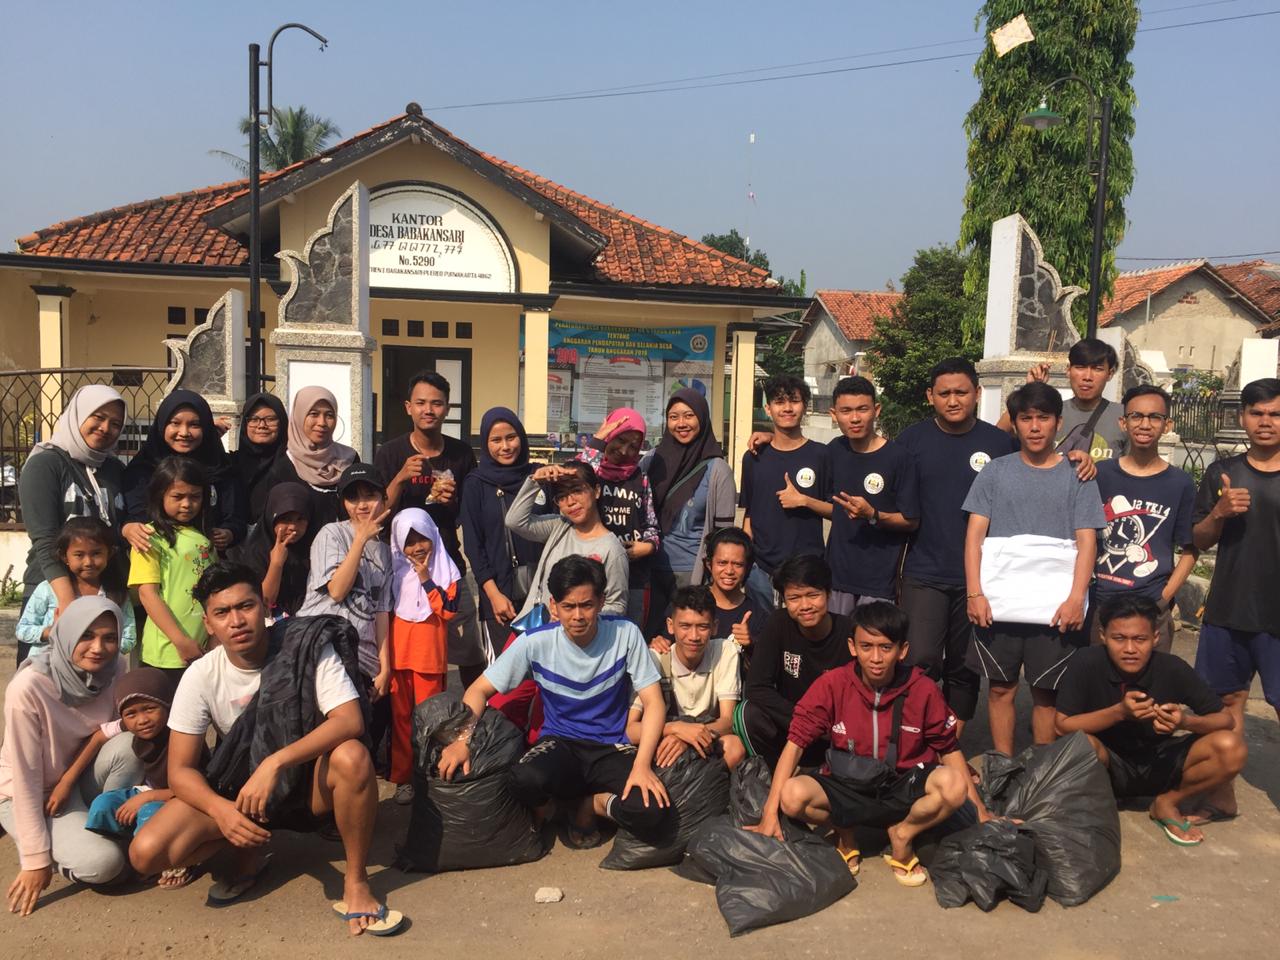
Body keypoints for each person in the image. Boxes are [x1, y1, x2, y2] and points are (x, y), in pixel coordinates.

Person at [128, 564, 403, 936]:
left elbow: (350, 720)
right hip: (244, 796)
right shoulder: (201, 675)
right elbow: (180, 771)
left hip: (308, 786)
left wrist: (276, 762)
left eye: (246, 606)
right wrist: (222, 813)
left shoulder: (304, 647)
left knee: (352, 755)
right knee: (146, 852)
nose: (236, 620)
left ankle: (356, 880)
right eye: (222, 613)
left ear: (265, 607)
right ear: (208, 623)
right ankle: (247, 847)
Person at [748, 601, 987, 887]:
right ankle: (845, 832)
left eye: (885, 648)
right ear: (852, 647)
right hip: (849, 784)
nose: (875, 657)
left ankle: (903, 834)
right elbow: (795, 743)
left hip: (902, 787)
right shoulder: (833, 684)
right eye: (866, 646)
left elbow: (949, 748)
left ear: (903, 651)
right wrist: (769, 812)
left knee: (954, 785)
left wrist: (981, 812)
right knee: (792, 795)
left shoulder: (923, 689)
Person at [439, 556, 671, 848]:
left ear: (601, 602)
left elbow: (654, 702)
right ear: (553, 606)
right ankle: (562, 803)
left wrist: (642, 765)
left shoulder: (625, 634)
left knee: (653, 809)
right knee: (522, 779)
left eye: (586, 605)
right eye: (568, 606)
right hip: (560, 743)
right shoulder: (535, 642)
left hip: (611, 745)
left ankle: (590, 806)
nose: (578, 616)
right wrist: (463, 740)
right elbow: (477, 690)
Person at [964, 382, 1105, 755]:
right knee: (1000, 688)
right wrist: (974, 593)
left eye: (1043, 418)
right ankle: (1003, 766)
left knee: (1046, 693)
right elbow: (974, 537)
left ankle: (1042, 769)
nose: (1035, 427)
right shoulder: (994, 472)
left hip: (1056, 607)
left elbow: (1087, 541)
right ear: (1016, 423)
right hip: (999, 603)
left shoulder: (1079, 475)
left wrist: (1077, 597)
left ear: (1058, 422)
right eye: (1025, 418)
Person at [1055, 595, 1246, 847]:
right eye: (1119, 639)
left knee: (1231, 746)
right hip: (1107, 766)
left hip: (1161, 762)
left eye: (1140, 639)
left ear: (1155, 637)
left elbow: (1225, 718)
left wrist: (1185, 722)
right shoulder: (1085, 662)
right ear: (1103, 635)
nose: (1130, 649)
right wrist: (1119, 712)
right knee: (1080, 745)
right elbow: (1061, 725)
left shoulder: (1172, 667)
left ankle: (1167, 802)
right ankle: (1098, 804)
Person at [896, 358, 1018, 734]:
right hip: (924, 572)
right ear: (930, 396)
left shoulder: (1000, 444)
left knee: (966, 666)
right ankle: (915, 739)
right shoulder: (911, 441)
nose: (953, 400)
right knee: (920, 658)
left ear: (977, 394)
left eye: (961, 392)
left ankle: (951, 746)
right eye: (944, 393)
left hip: (981, 578)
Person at [0, 597, 143, 916]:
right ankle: (53, 845)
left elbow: (111, 728)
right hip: (27, 793)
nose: (98, 648)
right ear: (66, 633)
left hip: (76, 776)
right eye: (86, 635)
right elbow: (25, 777)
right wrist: (35, 859)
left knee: (131, 742)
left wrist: (67, 780)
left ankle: (104, 826)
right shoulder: (29, 688)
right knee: (106, 865)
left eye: (109, 637)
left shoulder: (116, 666)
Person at [1190, 377, 1280, 816]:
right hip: (1228, 608)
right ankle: (1221, 794)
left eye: (1275, 414)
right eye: (1257, 413)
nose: (1266, 422)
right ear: (1242, 418)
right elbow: (1200, 539)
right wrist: (1220, 513)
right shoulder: (1222, 473)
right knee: (1225, 705)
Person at [375, 371, 484, 687]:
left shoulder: (462, 454)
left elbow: (468, 515)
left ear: (447, 409)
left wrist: (453, 502)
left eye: (436, 403)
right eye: (421, 402)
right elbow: (378, 514)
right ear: (408, 407)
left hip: (447, 565)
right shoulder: (391, 453)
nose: (429, 410)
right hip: (400, 570)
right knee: (407, 653)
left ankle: (472, 715)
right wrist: (399, 479)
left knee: (468, 650)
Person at [17, 384, 128, 664]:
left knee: (92, 689)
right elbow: (44, 539)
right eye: (98, 417)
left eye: (115, 423)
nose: (105, 428)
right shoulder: (46, 464)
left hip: (102, 590)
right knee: (43, 685)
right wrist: (67, 601)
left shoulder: (115, 469)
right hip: (52, 590)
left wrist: (115, 594)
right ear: (78, 415)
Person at [1091, 385, 1198, 650]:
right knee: (1097, 688)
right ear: (1123, 422)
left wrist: (1164, 598)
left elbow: (1190, 548)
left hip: (1152, 609)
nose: (1145, 424)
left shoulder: (1180, 483)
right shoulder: (1100, 475)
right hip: (1099, 604)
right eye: (1136, 416)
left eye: (1154, 417)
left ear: (1167, 424)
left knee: (1149, 689)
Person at [297, 463, 393, 744]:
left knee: (357, 744)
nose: (362, 505)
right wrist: (360, 539)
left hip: (362, 660)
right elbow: (337, 590)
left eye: (370, 496)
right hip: (324, 651)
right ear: (344, 504)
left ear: (384, 499)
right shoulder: (331, 534)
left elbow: (382, 611)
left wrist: (384, 666)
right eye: (354, 498)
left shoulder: (386, 552)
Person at [734, 555, 854, 765]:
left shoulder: (850, 632)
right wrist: (805, 721)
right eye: (794, 598)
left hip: (834, 732)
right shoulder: (778, 623)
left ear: (828, 593)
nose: (805, 605)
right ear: (784, 600)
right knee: (747, 714)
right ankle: (774, 771)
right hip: (790, 723)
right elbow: (757, 687)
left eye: (813, 595)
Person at [77, 669, 189, 885]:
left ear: (168, 705)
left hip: (179, 799)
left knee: (149, 813)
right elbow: (99, 735)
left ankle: (173, 861)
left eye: (150, 709)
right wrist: (66, 781)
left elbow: (195, 787)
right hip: (146, 791)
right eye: (131, 714)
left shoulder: (182, 732)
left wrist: (147, 797)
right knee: (103, 803)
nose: (142, 720)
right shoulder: (128, 724)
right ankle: (121, 848)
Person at [646, 389, 736, 637]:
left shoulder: (718, 470)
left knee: (686, 641)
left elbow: (724, 537)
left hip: (691, 575)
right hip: (649, 573)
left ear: (702, 419)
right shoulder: (653, 461)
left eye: (689, 415)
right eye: (674, 417)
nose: (681, 423)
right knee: (650, 643)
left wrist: (711, 577)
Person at [825, 376, 919, 611]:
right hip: (837, 577)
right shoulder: (833, 451)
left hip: (879, 581)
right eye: (846, 411)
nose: (855, 418)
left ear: (876, 410)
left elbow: (911, 521)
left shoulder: (899, 457)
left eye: (862, 409)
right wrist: (768, 437)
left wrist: (873, 514)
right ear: (834, 414)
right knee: (839, 645)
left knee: (874, 645)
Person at [626, 584, 745, 769]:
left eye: (703, 627)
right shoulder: (656, 659)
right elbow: (630, 730)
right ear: (670, 626)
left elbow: (727, 721)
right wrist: (675, 730)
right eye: (685, 626)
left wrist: (691, 738)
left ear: (714, 627)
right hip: (664, 743)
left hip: (707, 741)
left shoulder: (725, 651)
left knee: (734, 747)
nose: (694, 636)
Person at [739, 375, 831, 611]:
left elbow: (837, 510)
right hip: (760, 570)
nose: (788, 408)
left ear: (804, 407)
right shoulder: (753, 457)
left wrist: (804, 501)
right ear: (768, 409)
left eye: (795, 401)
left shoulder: (822, 456)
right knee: (761, 639)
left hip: (807, 569)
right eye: (779, 402)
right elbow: (749, 512)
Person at [460, 408, 544, 662]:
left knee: (544, 672)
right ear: (485, 443)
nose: (506, 447)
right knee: (505, 676)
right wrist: (493, 595)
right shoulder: (475, 483)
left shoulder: (539, 475)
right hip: (500, 598)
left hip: (542, 595)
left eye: (511, 437)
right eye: (496, 440)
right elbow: (474, 546)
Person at [387, 509, 459, 803]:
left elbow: (448, 610)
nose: (417, 547)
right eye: (409, 540)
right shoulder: (393, 570)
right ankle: (403, 778)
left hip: (428, 657)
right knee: (402, 719)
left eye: (422, 538)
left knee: (431, 720)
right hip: (397, 657)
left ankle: (429, 774)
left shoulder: (446, 570)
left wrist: (427, 579)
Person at [122, 389, 244, 553]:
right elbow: (135, 518)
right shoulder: (142, 470)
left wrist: (229, 532)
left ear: (206, 428)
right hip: (158, 559)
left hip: (209, 562)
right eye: (175, 423)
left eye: (194, 425)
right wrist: (128, 528)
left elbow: (236, 517)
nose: (184, 433)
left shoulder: (220, 468)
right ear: (162, 425)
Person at [505, 460, 629, 621]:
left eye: (577, 490)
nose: (570, 502)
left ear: (596, 491)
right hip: (537, 630)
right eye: (561, 496)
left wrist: (575, 619)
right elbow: (514, 521)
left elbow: (616, 606)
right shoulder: (559, 526)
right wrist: (535, 482)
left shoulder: (611, 549)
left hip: (574, 641)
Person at [128, 457, 216, 677]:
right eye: (177, 496)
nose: (187, 504)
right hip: (165, 654)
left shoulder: (204, 539)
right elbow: (147, 594)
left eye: (195, 497)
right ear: (160, 496)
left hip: (204, 651)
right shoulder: (149, 537)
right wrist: (180, 641)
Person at [577, 408, 659, 626]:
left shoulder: (640, 479)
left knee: (627, 641)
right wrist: (598, 440)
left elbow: (652, 525)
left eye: (633, 446)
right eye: (620, 439)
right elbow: (573, 483)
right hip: (590, 574)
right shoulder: (589, 472)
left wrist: (649, 546)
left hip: (633, 578)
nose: (624, 450)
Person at [16, 516, 137, 658]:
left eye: (96, 553)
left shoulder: (116, 593)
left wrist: (100, 646)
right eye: (79, 555)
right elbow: (23, 630)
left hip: (98, 673)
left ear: (109, 554)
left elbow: (129, 638)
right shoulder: (47, 590)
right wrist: (52, 631)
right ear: (64, 556)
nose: (88, 562)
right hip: (48, 668)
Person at [999, 338, 1126, 461]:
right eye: (1080, 367)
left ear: (1110, 374)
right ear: (1068, 370)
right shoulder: (1050, 413)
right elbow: (996, 435)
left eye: (1097, 369)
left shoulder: (1124, 417)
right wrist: (1030, 391)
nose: (1087, 377)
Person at [258, 386, 358, 530]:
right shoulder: (283, 464)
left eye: (329, 415)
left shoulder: (349, 458)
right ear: (299, 416)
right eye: (314, 414)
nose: (322, 422)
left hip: (345, 549)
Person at [228, 482, 314, 620]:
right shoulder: (257, 551)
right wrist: (276, 564)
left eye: (300, 519)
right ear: (271, 517)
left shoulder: (314, 545)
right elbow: (265, 601)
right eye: (286, 519)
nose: (293, 526)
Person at [230, 392, 288, 521]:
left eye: (271, 419)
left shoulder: (292, 463)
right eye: (254, 419)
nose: (262, 425)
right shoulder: (231, 464)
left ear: (282, 422)